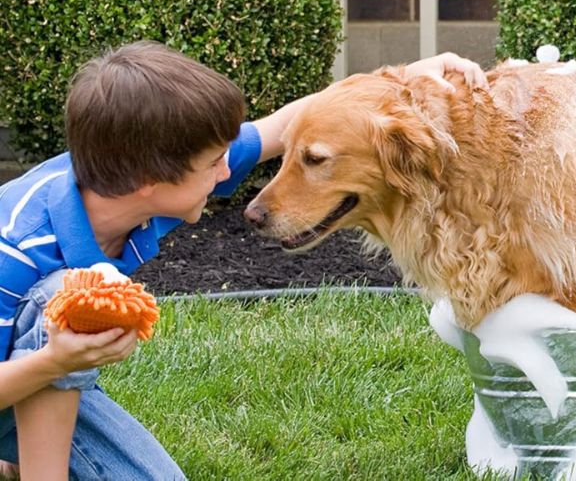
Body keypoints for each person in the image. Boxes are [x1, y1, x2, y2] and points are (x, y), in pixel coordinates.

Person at [0, 42, 486, 479]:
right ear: (150, 178)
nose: (231, 169)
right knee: (61, 292)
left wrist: (404, 78)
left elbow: (279, 129)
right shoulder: (16, 248)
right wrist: (53, 362)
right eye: (215, 163)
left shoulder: (131, 183)